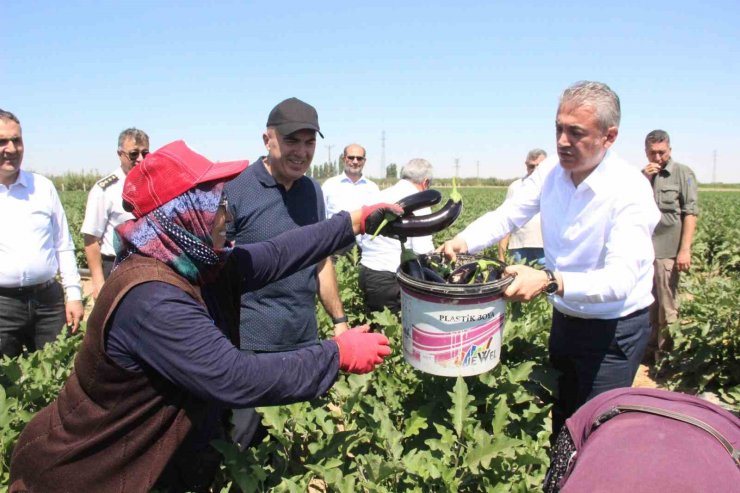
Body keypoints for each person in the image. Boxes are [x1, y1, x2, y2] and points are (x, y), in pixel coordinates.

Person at [9, 139, 398, 493]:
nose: (225, 217)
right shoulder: (153, 298)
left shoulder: (192, 262)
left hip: (143, 467)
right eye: (216, 206)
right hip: (86, 476)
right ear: (185, 214)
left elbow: (276, 254)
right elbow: (234, 376)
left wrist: (355, 221)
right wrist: (336, 354)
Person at [439, 81, 660, 441]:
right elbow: (507, 215)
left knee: (598, 431)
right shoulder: (551, 173)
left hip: (612, 332)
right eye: (559, 128)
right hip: (566, 319)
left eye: (576, 132)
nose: (562, 141)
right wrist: (463, 241)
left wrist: (547, 280)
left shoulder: (629, 191)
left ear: (609, 136)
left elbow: (619, 279)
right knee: (564, 422)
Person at [224, 97, 351, 449]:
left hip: (301, 344)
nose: (302, 152)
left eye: (310, 142)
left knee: (293, 445)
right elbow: (216, 269)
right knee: (240, 451)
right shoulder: (235, 190)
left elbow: (322, 259)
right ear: (268, 140)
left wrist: (339, 319)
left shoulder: (313, 192)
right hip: (248, 348)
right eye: (292, 140)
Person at [0, 109, 84, 358]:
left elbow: (63, 245)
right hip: (3, 305)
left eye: (17, 140)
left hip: (49, 302)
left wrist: (74, 295)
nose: (12, 149)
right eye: (2, 141)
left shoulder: (42, 188)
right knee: (5, 381)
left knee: (57, 371)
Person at [641, 130, 698, 363]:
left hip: (668, 249)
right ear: (646, 152)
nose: (657, 157)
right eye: (652, 152)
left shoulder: (682, 174)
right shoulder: (641, 177)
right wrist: (644, 179)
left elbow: (690, 213)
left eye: (662, 152)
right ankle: (649, 349)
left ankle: (666, 356)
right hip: (645, 250)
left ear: (670, 150)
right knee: (648, 303)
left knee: (667, 304)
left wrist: (684, 250)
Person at [358, 159, 435, 314]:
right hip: (392, 280)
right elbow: (422, 249)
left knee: (373, 330)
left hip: (367, 273)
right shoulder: (418, 203)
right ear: (426, 182)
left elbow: (359, 237)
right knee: (394, 333)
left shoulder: (377, 196)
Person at [80, 128, 149, 299]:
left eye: (145, 153)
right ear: (120, 154)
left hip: (146, 266)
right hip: (116, 266)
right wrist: (98, 282)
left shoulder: (152, 184)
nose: (140, 159)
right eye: (133, 154)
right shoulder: (104, 190)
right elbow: (91, 239)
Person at [322, 143, 380, 255]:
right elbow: (321, 218)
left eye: (359, 158)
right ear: (344, 159)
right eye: (351, 157)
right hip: (335, 249)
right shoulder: (329, 186)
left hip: (364, 251)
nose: (355, 161)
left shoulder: (373, 188)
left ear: (364, 161)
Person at [497, 149, 547, 266]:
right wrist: (501, 253)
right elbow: (507, 218)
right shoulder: (515, 187)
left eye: (539, 167)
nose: (535, 170)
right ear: (526, 165)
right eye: (531, 166)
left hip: (545, 247)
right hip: (519, 246)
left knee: (548, 282)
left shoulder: (554, 186)